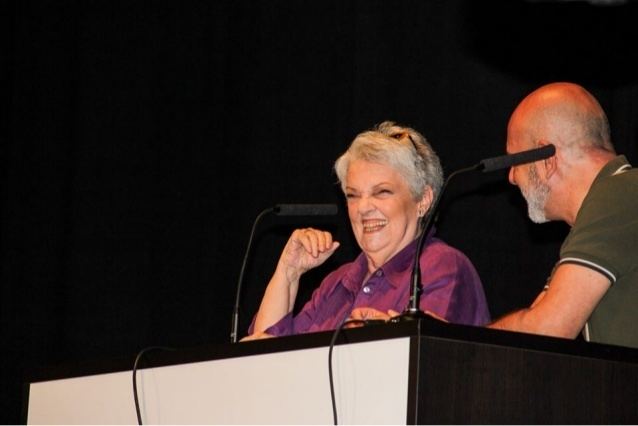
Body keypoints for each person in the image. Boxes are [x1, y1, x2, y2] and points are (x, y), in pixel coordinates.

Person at [243, 121, 490, 340]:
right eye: (353, 195)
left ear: (423, 200)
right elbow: (261, 359)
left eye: (381, 192)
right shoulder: (336, 284)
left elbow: (426, 364)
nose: (363, 208)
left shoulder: (443, 267)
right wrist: (288, 272)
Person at [489, 82, 638, 349]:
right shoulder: (610, 203)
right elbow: (534, 323)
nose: (511, 178)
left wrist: (448, 337)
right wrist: (451, 334)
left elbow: (548, 330)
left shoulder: (618, 196)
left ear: (547, 160)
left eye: (514, 162)